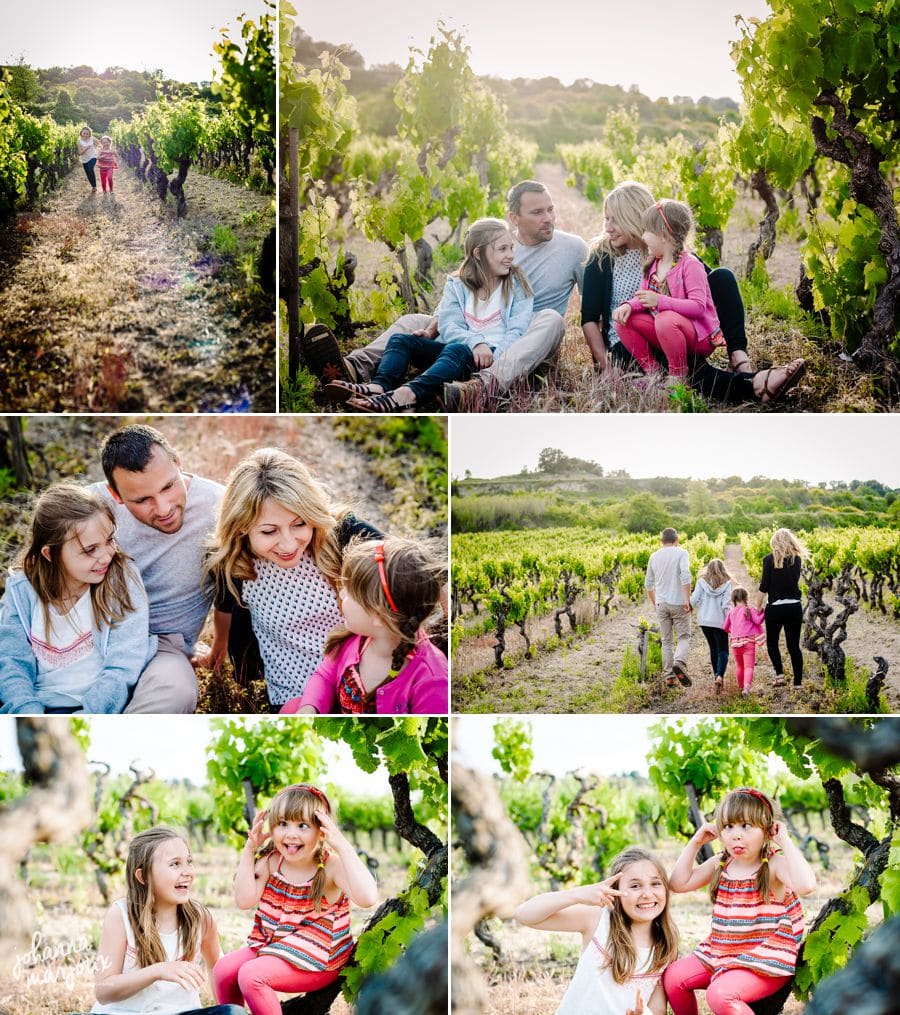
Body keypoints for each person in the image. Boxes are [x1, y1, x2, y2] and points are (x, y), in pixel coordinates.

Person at [314, 180, 587, 411]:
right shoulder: (499, 246)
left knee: (551, 318)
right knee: (411, 322)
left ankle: (481, 386)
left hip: (525, 340)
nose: (548, 218)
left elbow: (591, 310)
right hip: (473, 332)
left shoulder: (574, 249)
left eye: (551, 210)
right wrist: (436, 323)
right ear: (514, 218)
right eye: (538, 212)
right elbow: (462, 292)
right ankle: (349, 369)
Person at [581, 180, 806, 404]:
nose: (607, 227)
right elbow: (589, 319)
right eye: (606, 218)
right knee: (691, 367)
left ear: (637, 218)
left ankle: (738, 356)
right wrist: (606, 367)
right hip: (632, 342)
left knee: (722, 278)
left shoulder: (666, 250)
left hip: (671, 328)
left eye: (615, 219)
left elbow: (704, 288)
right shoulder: (602, 257)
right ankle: (755, 384)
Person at [204, 448, 380, 708]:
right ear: (242, 527)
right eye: (269, 531)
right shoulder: (234, 564)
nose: (288, 544)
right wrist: (216, 654)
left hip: (357, 677)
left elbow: (405, 565)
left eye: (299, 524)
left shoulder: (341, 534)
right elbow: (224, 610)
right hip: (293, 687)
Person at [326, 217, 532, 412]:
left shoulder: (517, 286)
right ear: (478, 254)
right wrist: (476, 342)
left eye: (511, 248)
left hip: (482, 362)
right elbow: (449, 325)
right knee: (400, 340)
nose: (510, 255)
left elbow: (517, 331)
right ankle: (380, 386)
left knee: (458, 349)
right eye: (503, 249)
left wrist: (494, 362)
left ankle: (407, 395)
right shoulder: (457, 284)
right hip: (450, 354)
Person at [93, 424, 226, 714]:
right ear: (115, 495)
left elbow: (235, 587)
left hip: (163, 647)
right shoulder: (91, 508)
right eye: (142, 500)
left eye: (168, 486)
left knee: (176, 693)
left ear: (178, 463)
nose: (164, 508)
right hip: (94, 636)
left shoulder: (221, 508)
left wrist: (220, 648)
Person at [214, 784, 378, 1015]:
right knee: (224, 970)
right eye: (283, 824)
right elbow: (243, 900)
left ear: (322, 830)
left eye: (303, 825)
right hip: (275, 943)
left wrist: (341, 844)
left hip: (319, 956)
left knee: (251, 976)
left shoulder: (330, 866)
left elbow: (368, 897)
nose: (291, 834)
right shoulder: (273, 861)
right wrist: (250, 848)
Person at [0, 483, 156, 715]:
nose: (106, 556)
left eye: (110, 540)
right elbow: (12, 662)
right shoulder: (21, 592)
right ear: (50, 553)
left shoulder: (121, 579)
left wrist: (88, 714)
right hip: (37, 708)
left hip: (103, 707)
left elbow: (123, 665)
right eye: (90, 549)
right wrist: (28, 712)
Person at [664, 787, 816, 1015]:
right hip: (723, 951)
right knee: (674, 977)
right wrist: (695, 842)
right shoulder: (721, 863)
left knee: (720, 994)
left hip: (765, 960)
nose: (736, 834)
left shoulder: (773, 865)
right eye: (728, 826)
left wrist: (784, 841)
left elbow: (807, 885)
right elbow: (678, 883)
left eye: (746, 826)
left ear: (767, 830)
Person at [280, 536, 447, 714]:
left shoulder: (431, 679)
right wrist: (310, 707)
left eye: (349, 592)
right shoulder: (353, 640)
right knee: (293, 708)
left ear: (378, 615)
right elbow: (325, 676)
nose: (342, 594)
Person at [92, 826, 242, 1015]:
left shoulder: (200, 918)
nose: (187, 871)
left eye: (189, 861)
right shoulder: (121, 916)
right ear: (143, 876)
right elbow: (103, 990)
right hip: (123, 1013)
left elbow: (217, 968)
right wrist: (158, 971)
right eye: (175, 864)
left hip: (182, 1013)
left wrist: (225, 1008)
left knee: (234, 1013)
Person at [513, 846, 679, 1015]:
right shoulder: (598, 921)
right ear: (615, 891)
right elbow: (523, 914)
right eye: (635, 886)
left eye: (656, 883)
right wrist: (577, 894)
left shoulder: (664, 944)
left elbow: (657, 1008)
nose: (647, 894)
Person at [612, 199, 723, 379]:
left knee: (665, 318)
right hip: (666, 329)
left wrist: (660, 301)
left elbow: (698, 307)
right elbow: (644, 298)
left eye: (647, 230)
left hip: (698, 336)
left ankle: (678, 377)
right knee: (622, 319)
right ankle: (653, 373)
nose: (644, 235)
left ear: (663, 235)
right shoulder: (652, 263)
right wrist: (629, 306)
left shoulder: (690, 265)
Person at [758, 528, 809, 688]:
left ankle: (779, 676)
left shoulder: (768, 560)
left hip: (775, 609)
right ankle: (798, 683)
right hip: (794, 607)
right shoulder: (797, 560)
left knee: (772, 643)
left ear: (775, 542)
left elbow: (764, 586)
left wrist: (757, 607)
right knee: (794, 646)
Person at [645, 528, 692, 688]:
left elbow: (648, 584)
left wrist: (655, 602)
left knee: (666, 641)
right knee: (684, 636)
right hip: (678, 602)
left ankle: (669, 677)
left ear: (661, 541)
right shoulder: (682, 553)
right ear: (677, 539)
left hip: (662, 603)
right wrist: (687, 599)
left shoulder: (654, 556)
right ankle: (679, 663)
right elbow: (685, 575)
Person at [690, 558, 733, 693]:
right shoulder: (727, 584)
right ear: (723, 570)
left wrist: (687, 607)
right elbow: (726, 605)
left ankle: (716, 676)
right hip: (720, 621)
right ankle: (720, 675)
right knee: (723, 650)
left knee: (713, 649)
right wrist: (730, 621)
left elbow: (694, 599)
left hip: (705, 621)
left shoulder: (701, 582)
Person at [723, 588, 766, 697]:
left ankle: (741, 687)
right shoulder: (749, 609)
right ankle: (746, 689)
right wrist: (764, 612)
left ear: (733, 599)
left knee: (740, 666)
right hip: (748, 642)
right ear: (746, 598)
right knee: (749, 667)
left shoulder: (731, 613)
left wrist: (734, 632)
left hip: (735, 643)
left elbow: (725, 627)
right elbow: (758, 621)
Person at [77, 127, 100, 193]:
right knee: (87, 173)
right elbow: (80, 153)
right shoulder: (79, 142)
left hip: (93, 156)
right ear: (81, 133)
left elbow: (100, 143)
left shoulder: (92, 138)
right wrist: (86, 148)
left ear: (89, 134)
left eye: (87, 133)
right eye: (84, 133)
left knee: (90, 169)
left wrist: (99, 152)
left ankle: (94, 187)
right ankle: (93, 186)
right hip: (84, 159)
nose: (85, 135)